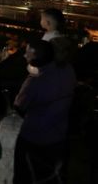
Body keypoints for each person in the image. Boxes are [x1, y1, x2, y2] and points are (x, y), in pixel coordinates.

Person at [13, 39, 76, 184]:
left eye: (27, 54)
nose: (24, 56)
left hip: (34, 138)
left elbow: (19, 106)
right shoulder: (68, 70)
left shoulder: (34, 83)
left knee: (25, 176)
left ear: (36, 60)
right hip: (59, 135)